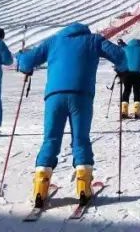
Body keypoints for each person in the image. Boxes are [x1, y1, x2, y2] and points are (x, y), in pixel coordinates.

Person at [16, 22, 126, 208]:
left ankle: (40, 189)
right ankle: (83, 187)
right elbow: (120, 56)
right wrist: (121, 69)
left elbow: (26, 61)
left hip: (54, 97)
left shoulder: (53, 41)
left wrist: (25, 64)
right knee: (81, 139)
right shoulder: (93, 40)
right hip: (81, 96)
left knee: (50, 139)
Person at [121, 39, 140, 118]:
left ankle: (124, 110)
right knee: (137, 90)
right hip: (138, 73)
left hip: (126, 72)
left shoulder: (125, 48)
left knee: (126, 90)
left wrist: (118, 70)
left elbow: (119, 59)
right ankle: (136, 111)